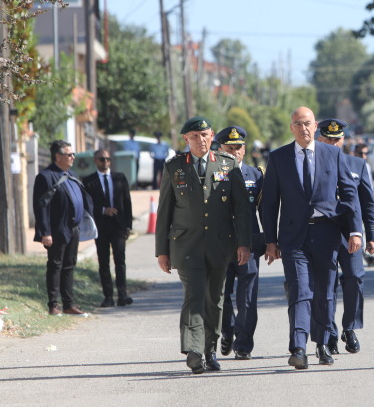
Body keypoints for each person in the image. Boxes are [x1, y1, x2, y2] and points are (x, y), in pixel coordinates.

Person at [260, 107, 361, 370]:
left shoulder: (333, 153)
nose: (303, 128)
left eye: (307, 123)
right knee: (300, 291)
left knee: (325, 293)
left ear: (315, 126)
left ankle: (323, 343)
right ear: (291, 128)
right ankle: (299, 347)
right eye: (298, 124)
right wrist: (271, 241)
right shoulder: (279, 158)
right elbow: (269, 204)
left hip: (327, 233)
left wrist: (355, 231)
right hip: (293, 237)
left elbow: (350, 194)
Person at [155, 116, 252, 374]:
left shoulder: (228, 165)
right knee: (194, 294)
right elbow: (164, 212)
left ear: (212, 137)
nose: (201, 140)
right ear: (186, 139)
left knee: (215, 298)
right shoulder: (174, 168)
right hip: (186, 246)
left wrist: (244, 244)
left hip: (220, 244)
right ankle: (194, 350)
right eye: (195, 136)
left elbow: (241, 209)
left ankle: (210, 349)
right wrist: (162, 251)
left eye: (205, 135)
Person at [315, 118, 374, 354]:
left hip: (351, 234)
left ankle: (349, 327)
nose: (333, 144)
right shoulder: (314, 164)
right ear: (319, 139)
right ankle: (330, 332)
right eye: (328, 140)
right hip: (324, 231)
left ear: (343, 140)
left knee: (354, 278)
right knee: (327, 285)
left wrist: (372, 235)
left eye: (337, 140)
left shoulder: (357, 164)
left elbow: (368, 203)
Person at [215, 126, 266, 361]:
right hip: (221, 244)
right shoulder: (213, 174)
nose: (235, 152)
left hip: (250, 243)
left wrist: (271, 241)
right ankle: (228, 331)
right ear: (220, 149)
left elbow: (265, 211)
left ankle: (244, 343)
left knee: (248, 297)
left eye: (238, 148)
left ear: (244, 150)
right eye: (230, 148)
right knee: (222, 294)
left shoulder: (256, 175)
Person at [32, 140, 93, 316]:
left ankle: (69, 304)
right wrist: (45, 232)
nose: (73, 157)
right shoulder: (45, 176)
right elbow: (41, 206)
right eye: (69, 154)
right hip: (56, 229)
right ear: (58, 156)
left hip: (73, 228)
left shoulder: (72, 174)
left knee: (69, 266)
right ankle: (53, 305)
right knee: (55, 266)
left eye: (73, 154)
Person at [83, 149, 134, 308]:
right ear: (95, 161)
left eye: (107, 159)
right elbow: (87, 205)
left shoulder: (119, 178)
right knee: (103, 262)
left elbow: (127, 202)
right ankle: (108, 296)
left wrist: (128, 225)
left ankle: (122, 295)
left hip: (118, 226)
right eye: (101, 159)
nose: (105, 162)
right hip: (101, 226)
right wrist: (102, 210)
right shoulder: (89, 181)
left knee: (120, 260)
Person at [352, 142, 374, 267]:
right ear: (354, 152)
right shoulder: (349, 163)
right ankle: (364, 256)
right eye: (360, 153)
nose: (363, 156)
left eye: (366, 153)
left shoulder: (365, 166)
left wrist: (372, 235)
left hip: (364, 202)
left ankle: (364, 255)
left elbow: (368, 191)